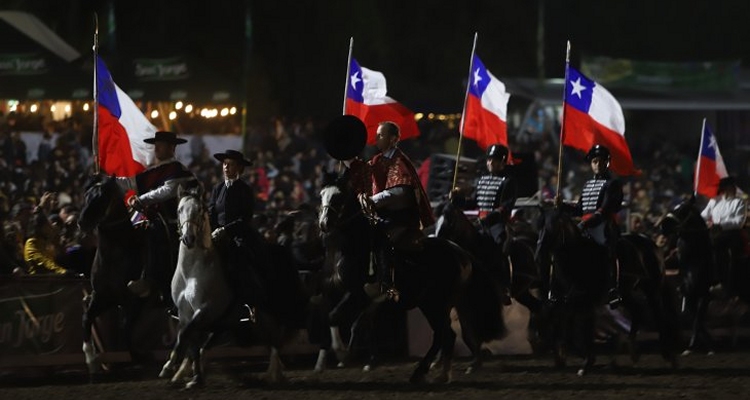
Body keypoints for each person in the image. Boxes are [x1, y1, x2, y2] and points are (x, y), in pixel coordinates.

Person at [354, 121, 435, 301]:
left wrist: (372, 201)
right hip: (382, 215)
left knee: (383, 238)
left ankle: (387, 284)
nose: (376, 138)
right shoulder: (376, 161)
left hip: (401, 219)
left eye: (381, 135)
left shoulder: (399, 161)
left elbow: (398, 192)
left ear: (393, 139)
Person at [122, 131, 196, 305]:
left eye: (160, 145)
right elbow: (130, 182)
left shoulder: (177, 170)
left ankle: (151, 280)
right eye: (156, 145)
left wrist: (141, 199)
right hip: (151, 219)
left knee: (155, 237)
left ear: (172, 148)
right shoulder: (154, 171)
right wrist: (107, 180)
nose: (156, 148)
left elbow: (167, 191)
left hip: (171, 223)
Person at [556, 144, 623, 308]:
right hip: (585, 225)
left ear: (607, 162)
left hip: (603, 224)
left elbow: (605, 210)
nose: (598, 164)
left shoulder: (612, 184)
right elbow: (579, 208)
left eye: (601, 161)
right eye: (594, 161)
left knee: (607, 250)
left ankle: (613, 289)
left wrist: (585, 223)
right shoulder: (587, 185)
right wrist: (562, 205)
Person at [452, 143, 517, 304]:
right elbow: (473, 202)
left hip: (496, 224)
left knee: (499, 244)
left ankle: (504, 286)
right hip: (479, 222)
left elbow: (505, 207)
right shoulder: (482, 180)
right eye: (489, 160)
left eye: (494, 160)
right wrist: (457, 200)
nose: (490, 163)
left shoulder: (508, 181)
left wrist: (489, 218)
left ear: (502, 162)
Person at [208, 149, 265, 317]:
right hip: (215, 235)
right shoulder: (217, 189)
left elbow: (245, 218)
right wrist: (212, 230)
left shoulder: (245, 190)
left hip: (238, 235)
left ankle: (249, 302)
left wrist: (225, 230)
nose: (226, 167)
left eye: (231, 165)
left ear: (239, 168)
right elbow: (211, 212)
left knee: (241, 262)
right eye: (225, 164)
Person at [700, 176, 747, 285]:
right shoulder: (714, 201)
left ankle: (727, 281)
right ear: (725, 188)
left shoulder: (739, 202)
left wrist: (719, 225)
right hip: (713, 234)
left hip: (730, 235)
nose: (734, 189)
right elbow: (703, 216)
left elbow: (739, 222)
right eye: (732, 186)